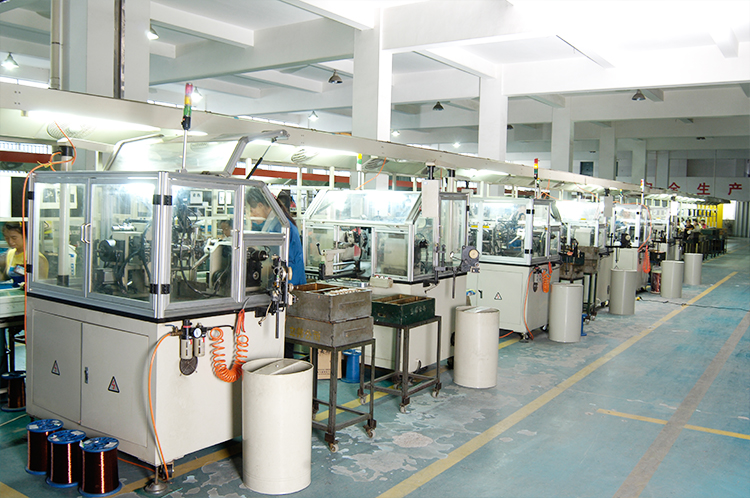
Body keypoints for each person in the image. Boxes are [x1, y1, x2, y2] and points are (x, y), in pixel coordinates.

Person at [244, 188, 306, 286]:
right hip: (284, 278)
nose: (251, 216)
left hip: (289, 280)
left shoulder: (279, 225)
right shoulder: (273, 221)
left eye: (251, 211)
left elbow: (274, 258)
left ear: (260, 205)